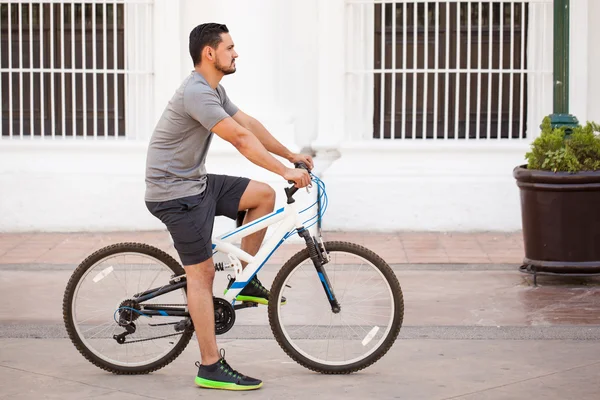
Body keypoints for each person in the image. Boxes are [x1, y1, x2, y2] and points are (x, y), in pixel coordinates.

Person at [144, 23, 313, 391]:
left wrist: (290, 154)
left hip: (196, 183)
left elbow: (247, 123)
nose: (236, 53)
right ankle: (209, 366)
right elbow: (239, 138)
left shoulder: (213, 89)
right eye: (230, 48)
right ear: (210, 53)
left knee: (263, 196)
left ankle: (245, 277)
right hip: (173, 194)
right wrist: (286, 171)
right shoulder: (196, 93)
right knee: (201, 275)